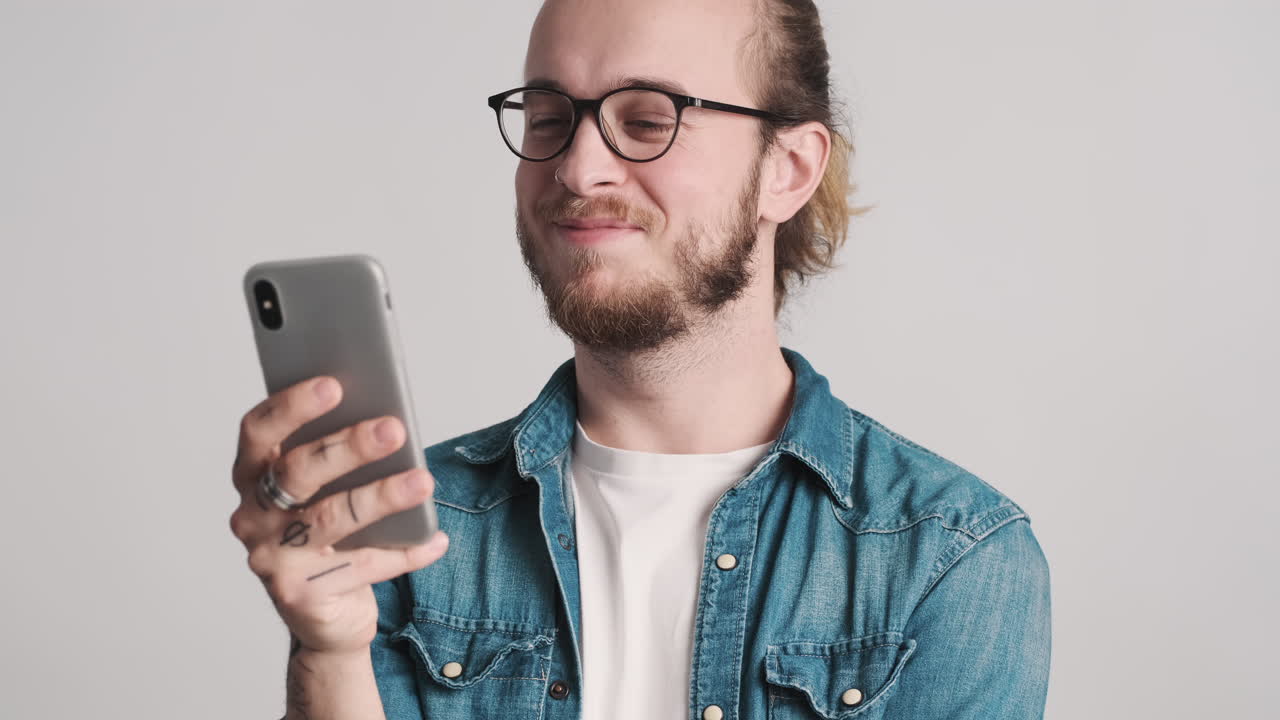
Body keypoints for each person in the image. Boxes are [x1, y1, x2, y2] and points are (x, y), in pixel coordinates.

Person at [228, 0, 1052, 718]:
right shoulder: (410, 532)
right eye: (549, 118)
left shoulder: (949, 562)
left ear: (789, 169)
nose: (579, 169)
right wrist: (329, 657)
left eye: (649, 119)